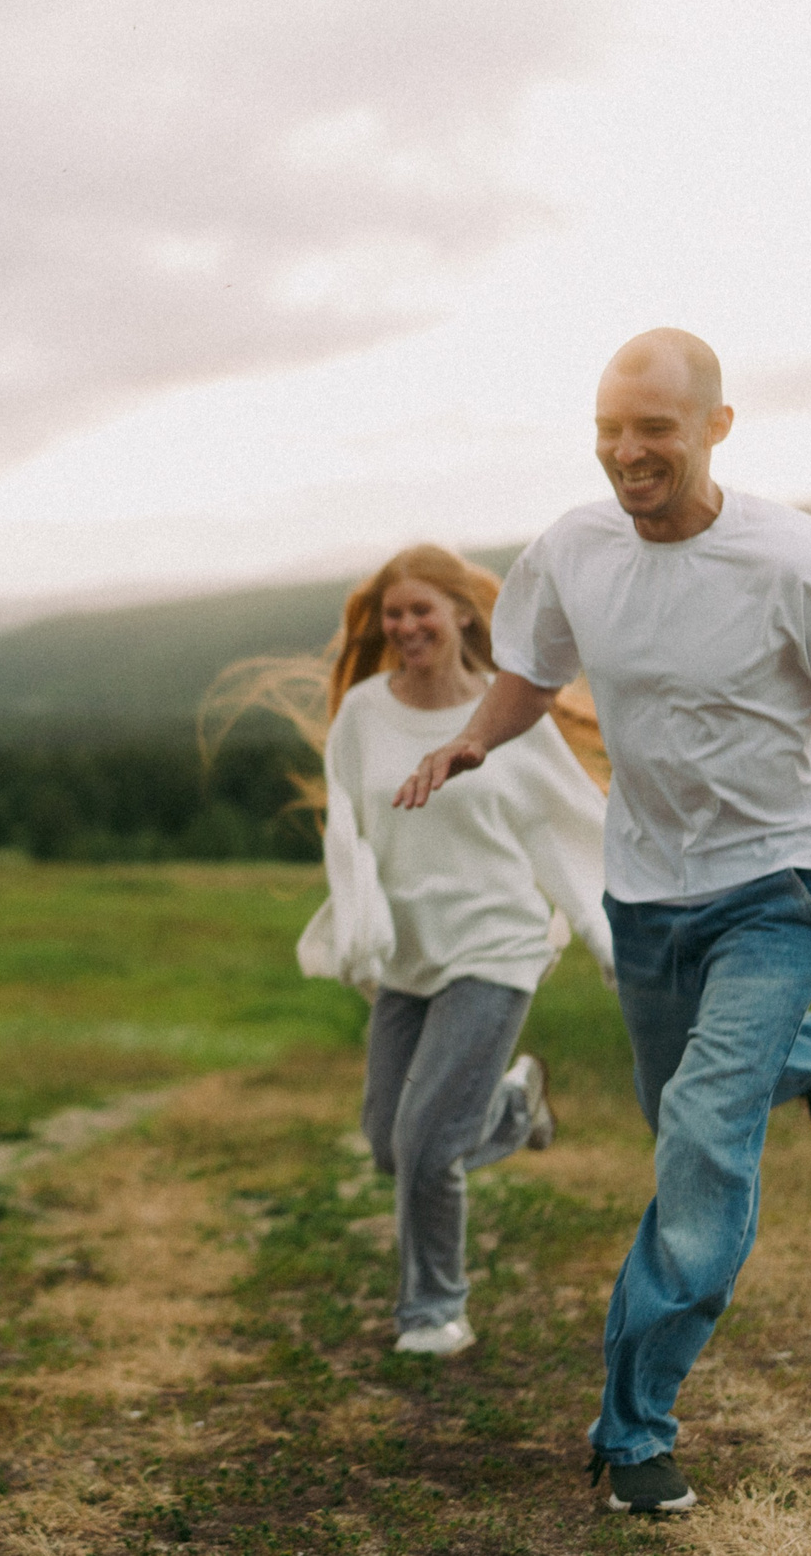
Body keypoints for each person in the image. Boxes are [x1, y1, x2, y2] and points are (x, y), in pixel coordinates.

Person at [396, 328, 811, 1516]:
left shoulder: (799, 565)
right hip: (647, 887)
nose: (626, 450)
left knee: (701, 1136)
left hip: (783, 883)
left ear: (715, 427)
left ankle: (631, 1426)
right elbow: (532, 671)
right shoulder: (573, 547)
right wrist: (473, 739)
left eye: (652, 426)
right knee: (677, 1108)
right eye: (609, 427)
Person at [203, 544, 614, 1359]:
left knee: (428, 1143)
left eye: (421, 609)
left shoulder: (512, 716)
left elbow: (571, 829)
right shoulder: (362, 711)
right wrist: (358, 929)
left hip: (496, 947)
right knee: (391, 1145)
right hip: (406, 952)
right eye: (394, 613)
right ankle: (512, 1107)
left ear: (465, 611)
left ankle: (433, 1310)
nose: (405, 625)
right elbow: (349, 834)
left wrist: (607, 935)